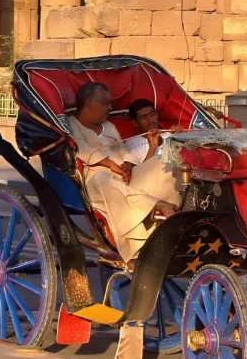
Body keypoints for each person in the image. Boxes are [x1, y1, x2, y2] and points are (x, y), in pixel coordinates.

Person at [67, 83, 181, 263]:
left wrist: (127, 164)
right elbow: (81, 150)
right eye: (105, 104)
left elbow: (123, 151)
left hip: (125, 176)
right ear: (90, 103)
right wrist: (109, 163)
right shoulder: (71, 124)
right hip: (98, 179)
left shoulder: (109, 126)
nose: (110, 108)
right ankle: (155, 209)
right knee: (104, 179)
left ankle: (173, 218)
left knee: (163, 163)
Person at [124, 99, 172, 163]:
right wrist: (152, 148)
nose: (150, 120)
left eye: (152, 114)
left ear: (157, 115)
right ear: (135, 123)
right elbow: (139, 172)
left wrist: (180, 137)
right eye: (143, 117)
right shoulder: (132, 143)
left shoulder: (169, 135)